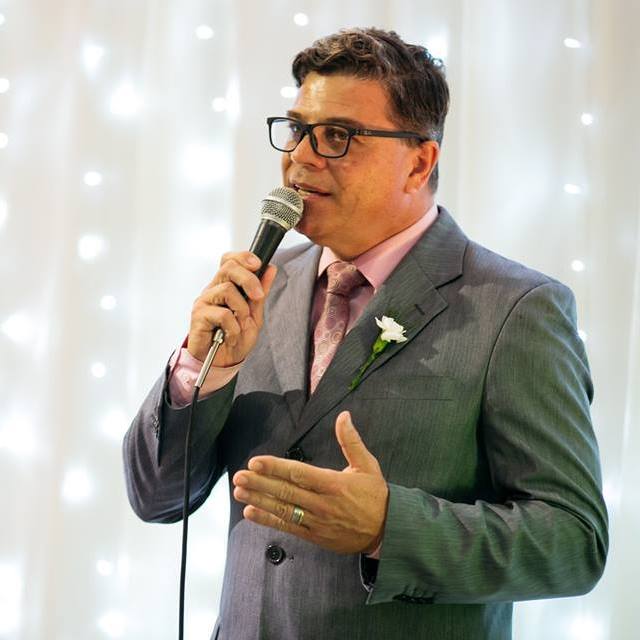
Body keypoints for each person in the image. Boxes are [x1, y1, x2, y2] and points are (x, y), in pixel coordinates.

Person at [122, 27, 608, 640]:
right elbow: (156, 497)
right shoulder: (261, 286)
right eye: (296, 129)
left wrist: (388, 527)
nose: (300, 158)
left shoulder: (516, 308)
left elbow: (574, 542)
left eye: (337, 136)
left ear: (419, 162)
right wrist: (203, 367)